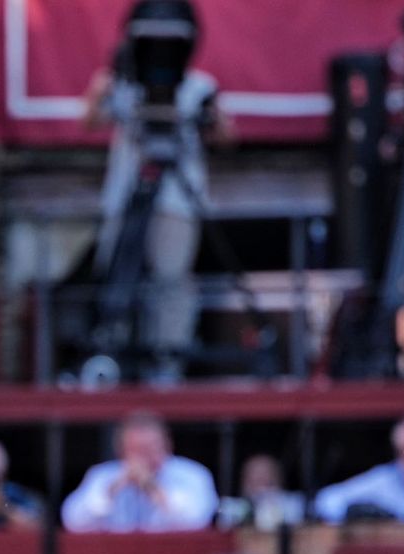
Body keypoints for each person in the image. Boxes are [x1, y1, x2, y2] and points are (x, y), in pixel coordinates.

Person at [82, 2, 224, 382]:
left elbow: (226, 136)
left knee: (171, 280)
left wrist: (205, 116)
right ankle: (111, 361)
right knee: (115, 274)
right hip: (125, 197)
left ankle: (166, 368)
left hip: (177, 200)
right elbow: (89, 120)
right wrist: (106, 85)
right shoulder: (124, 84)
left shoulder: (198, 87)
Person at [61, 411, 217, 532]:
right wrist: (111, 489)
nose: (145, 457)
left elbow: (197, 520)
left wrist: (153, 487)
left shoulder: (193, 474)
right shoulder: (103, 476)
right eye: (137, 450)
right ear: (121, 450)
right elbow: (73, 521)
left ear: (167, 445)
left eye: (150, 448)